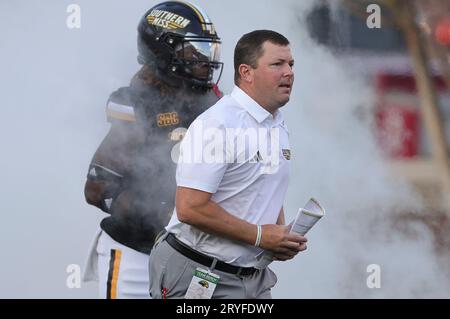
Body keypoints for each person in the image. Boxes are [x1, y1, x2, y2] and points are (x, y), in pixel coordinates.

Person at [148, 29, 308, 299]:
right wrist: (260, 236)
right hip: (199, 273)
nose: (289, 72)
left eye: (291, 64)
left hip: (253, 279)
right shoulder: (218, 124)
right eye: (277, 64)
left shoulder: (276, 120)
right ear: (246, 72)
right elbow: (189, 208)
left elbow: (263, 183)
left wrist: (279, 237)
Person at [82, 1, 223, 299]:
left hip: (200, 258)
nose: (204, 60)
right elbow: (98, 189)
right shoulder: (138, 103)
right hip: (137, 254)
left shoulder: (215, 102)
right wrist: (161, 212)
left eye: (206, 50)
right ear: (163, 51)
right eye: (192, 50)